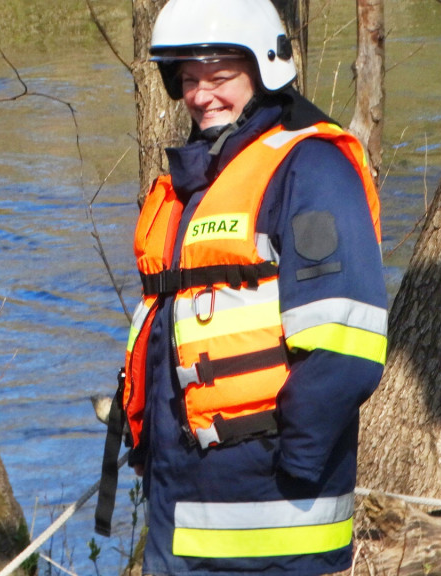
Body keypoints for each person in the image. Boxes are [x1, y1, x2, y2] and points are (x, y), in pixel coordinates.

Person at [95, 0, 388, 574]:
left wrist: (292, 468)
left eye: (220, 76)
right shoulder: (201, 179)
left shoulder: (310, 169)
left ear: (264, 69)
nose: (201, 95)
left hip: (272, 521)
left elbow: (346, 345)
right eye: (188, 80)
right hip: (184, 509)